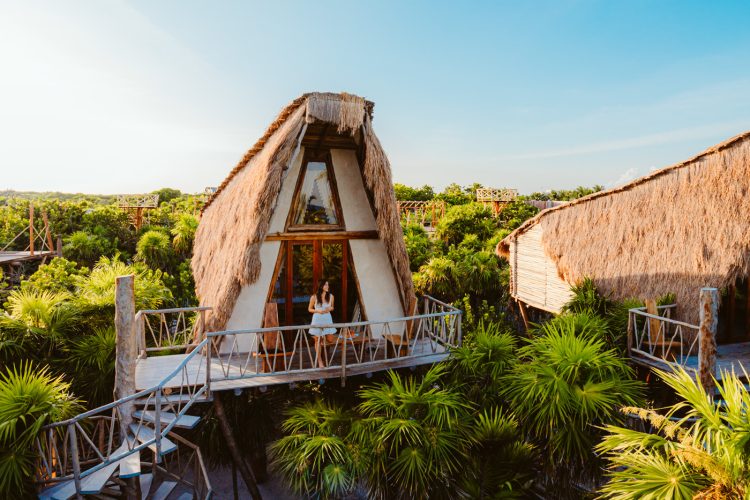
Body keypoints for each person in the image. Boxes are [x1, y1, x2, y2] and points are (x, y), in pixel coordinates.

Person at [308, 281, 335, 367]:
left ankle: (323, 340)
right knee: (317, 341)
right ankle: (320, 362)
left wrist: (329, 309)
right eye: (326, 284)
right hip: (317, 320)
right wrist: (317, 310)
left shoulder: (331, 296)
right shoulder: (314, 297)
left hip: (327, 320)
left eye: (328, 284)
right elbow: (309, 309)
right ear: (321, 286)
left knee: (330, 339)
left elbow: (332, 307)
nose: (328, 286)